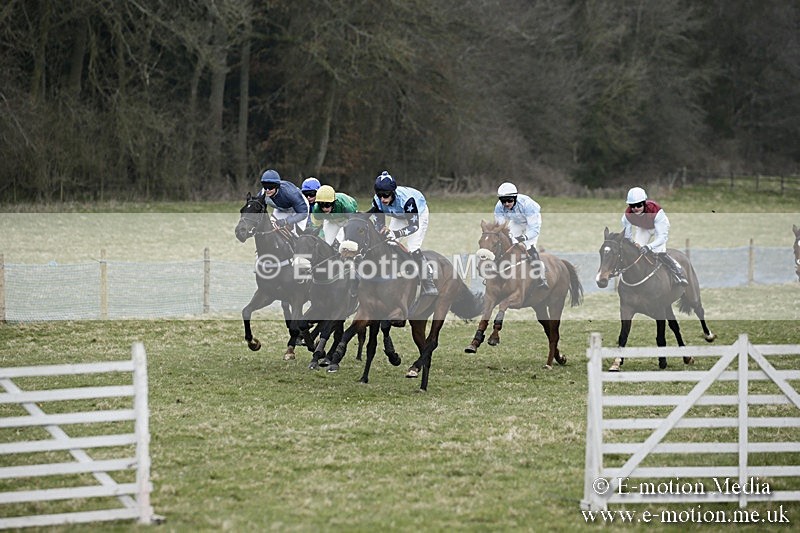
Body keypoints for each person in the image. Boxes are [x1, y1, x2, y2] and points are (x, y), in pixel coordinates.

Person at [367, 170, 438, 297]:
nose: (383, 199)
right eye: (379, 195)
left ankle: (428, 280)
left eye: (386, 195)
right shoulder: (377, 201)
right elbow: (379, 225)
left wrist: (396, 233)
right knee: (387, 242)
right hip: (398, 215)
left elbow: (414, 226)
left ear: (393, 192)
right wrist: (383, 231)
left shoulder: (407, 201)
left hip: (417, 214)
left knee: (413, 247)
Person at [621, 186, 688, 286]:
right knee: (637, 252)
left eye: (638, 205)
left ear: (644, 203)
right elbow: (627, 236)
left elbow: (662, 238)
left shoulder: (656, 211)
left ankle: (678, 273)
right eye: (632, 205)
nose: (635, 208)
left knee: (659, 252)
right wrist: (634, 244)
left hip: (659, 228)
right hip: (643, 227)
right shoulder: (626, 216)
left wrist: (649, 247)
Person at [493, 182, 549, 288]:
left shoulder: (528, 205)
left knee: (529, 247)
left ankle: (540, 277)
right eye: (503, 201)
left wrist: (522, 238)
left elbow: (534, 230)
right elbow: (500, 228)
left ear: (515, 197)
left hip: (531, 224)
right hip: (516, 222)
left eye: (509, 200)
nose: (506, 204)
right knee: (507, 244)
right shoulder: (499, 207)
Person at [257, 169, 309, 235]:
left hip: (299, 209)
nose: (267, 190)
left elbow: (303, 213)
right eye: (265, 186)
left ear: (277, 186)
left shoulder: (290, 193)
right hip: (281, 207)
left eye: (270, 187)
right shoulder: (262, 194)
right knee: (272, 229)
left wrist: (286, 221)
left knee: (297, 234)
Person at [311, 185, 358, 249]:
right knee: (327, 243)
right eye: (321, 204)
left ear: (334, 202)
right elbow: (317, 225)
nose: (324, 208)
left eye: (327, 205)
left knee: (345, 243)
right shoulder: (317, 209)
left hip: (347, 220)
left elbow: (353, 222)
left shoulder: (346, 206)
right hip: (331, 220)